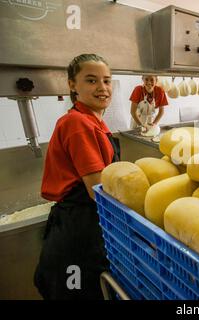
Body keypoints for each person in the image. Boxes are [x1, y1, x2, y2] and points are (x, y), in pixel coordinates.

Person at [34, 54, 120, 300]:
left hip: (87, 223)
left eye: (107, 81)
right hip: (79, 230)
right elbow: (98, 191)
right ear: (72, 85)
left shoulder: (94, 123)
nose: (102, 88)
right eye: (91, 81)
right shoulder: (77, 123)